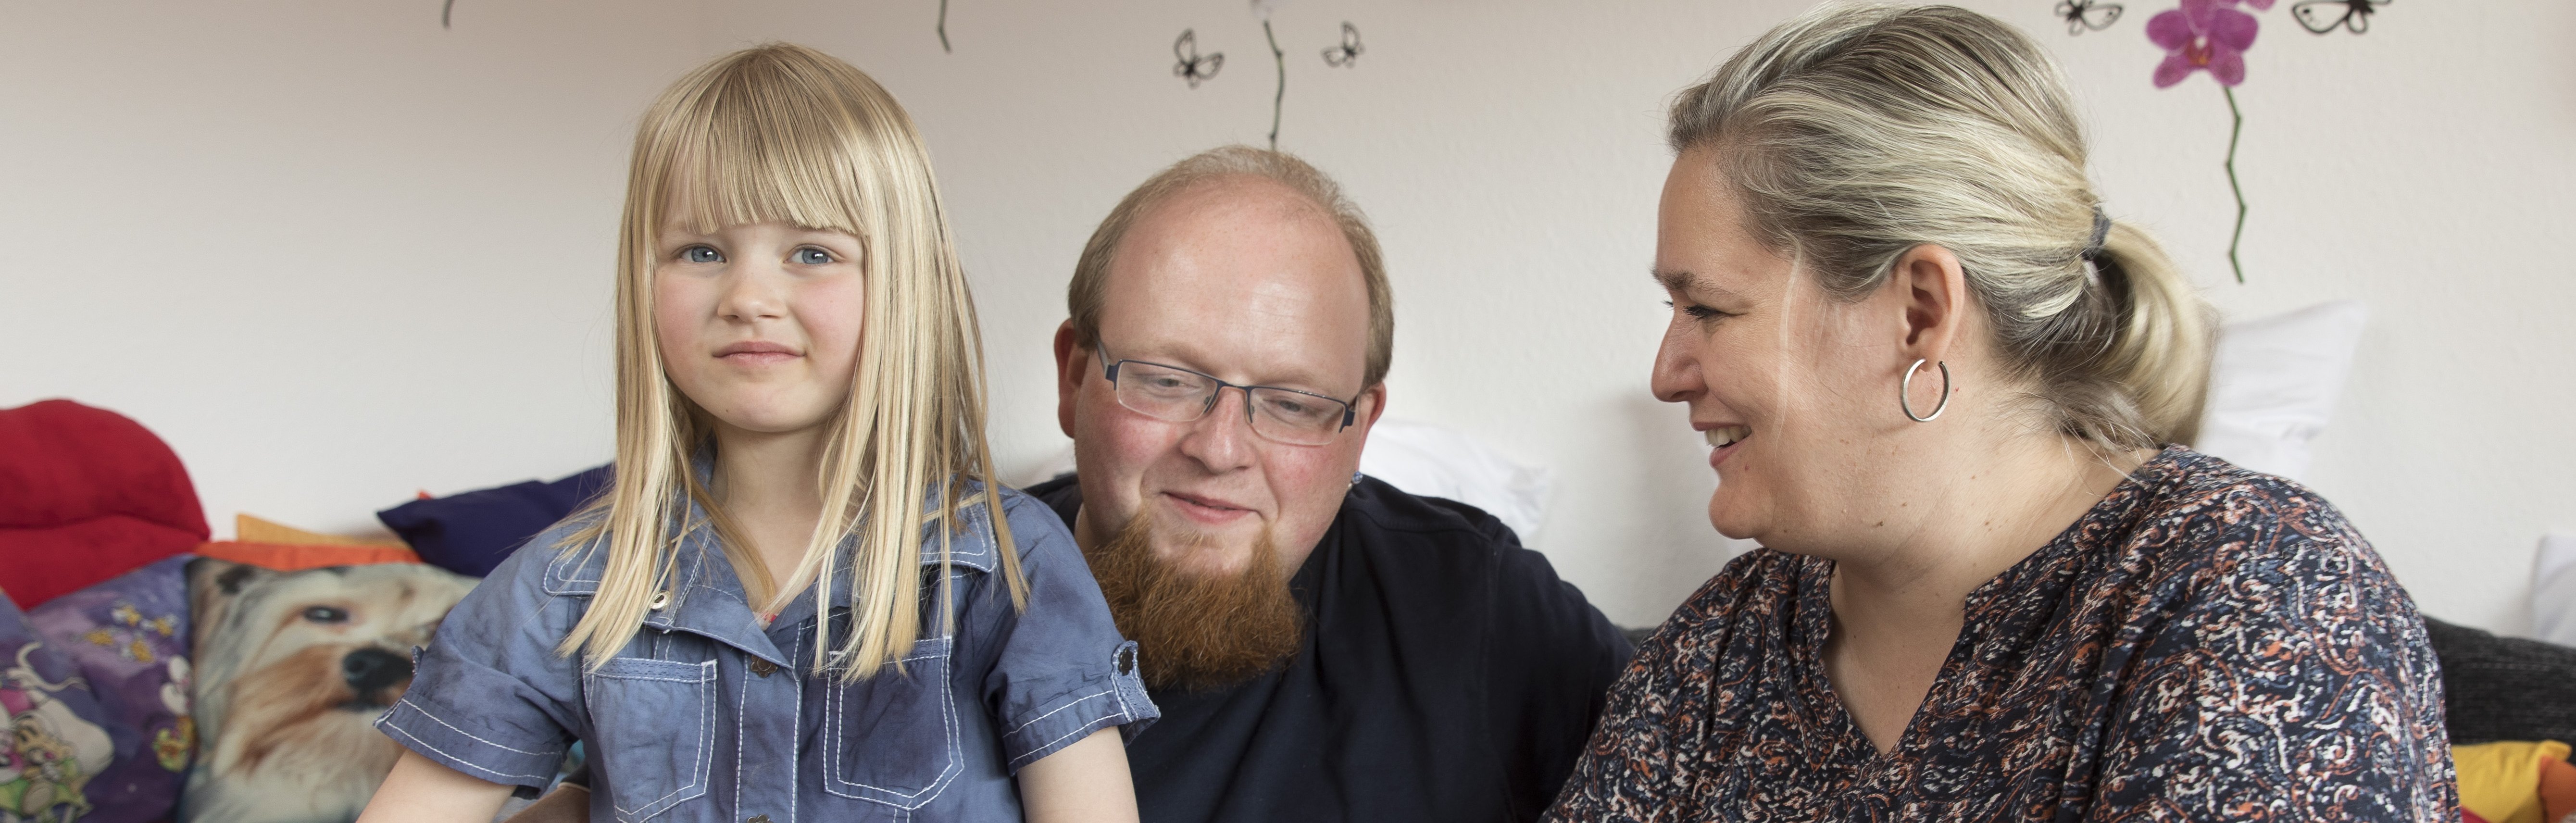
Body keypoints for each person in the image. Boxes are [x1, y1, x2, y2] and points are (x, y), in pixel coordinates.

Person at [1543, 5, 2453, 821]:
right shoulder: (1723, 647)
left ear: (1919, 314)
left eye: (1707, 308)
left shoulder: (2255, 593)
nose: (1667, 374)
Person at [356, 44, 1153, 823]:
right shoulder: (562, 589)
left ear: (904, 286)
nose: (748, 295)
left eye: (812, 252)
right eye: (701, 251)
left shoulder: (1005, 567)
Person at [1027, 146, 1635, 823]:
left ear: (1361, 430)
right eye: (1166, 381)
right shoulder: (941, 597)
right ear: (1073, 377)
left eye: (1293, 403)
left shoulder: (1477, 607)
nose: (1220, 450)